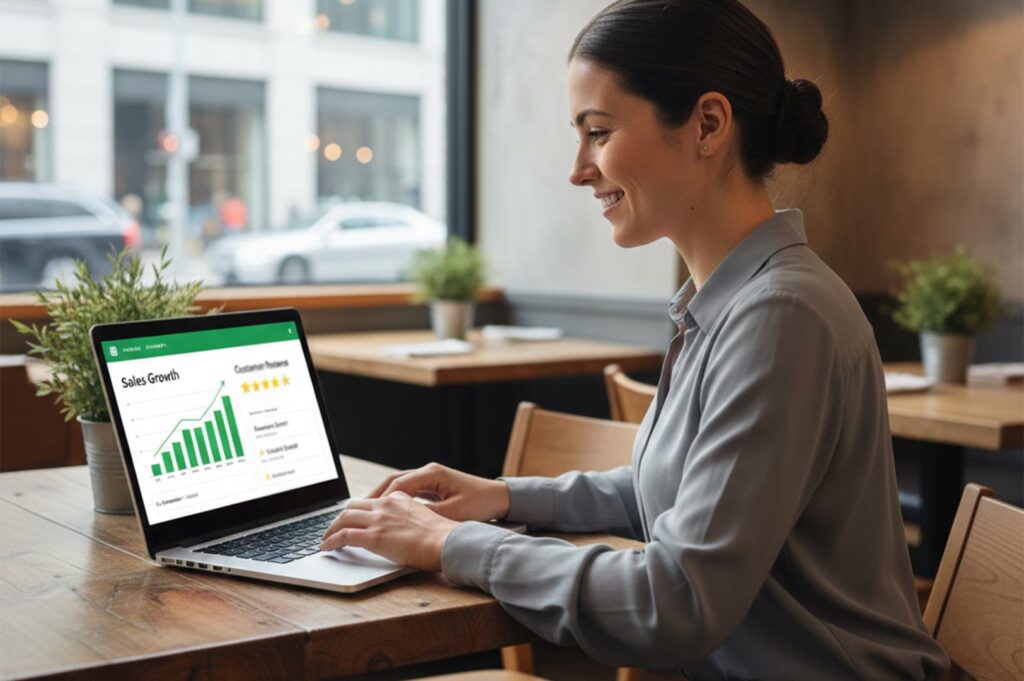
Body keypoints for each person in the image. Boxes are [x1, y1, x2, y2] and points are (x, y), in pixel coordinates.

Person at [320, 1, 950, 678]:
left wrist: (453, 543)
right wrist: (504, 496)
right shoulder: (730, 302)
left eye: (598, 132)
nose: (578, 169)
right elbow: (669, 487)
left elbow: (673, 602)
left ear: (707, 124)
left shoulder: (782, 314)